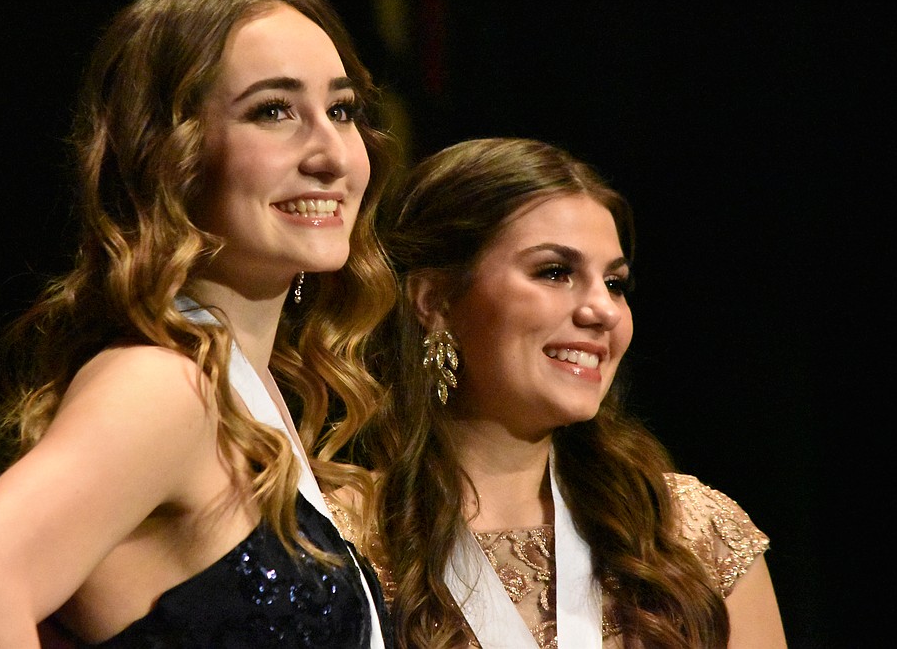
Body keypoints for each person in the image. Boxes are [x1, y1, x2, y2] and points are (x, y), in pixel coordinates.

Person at [0, 0, 397, 648]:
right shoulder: (162, 386)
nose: (331, 154)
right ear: (171, 155)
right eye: (273, 111)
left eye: (341, 111)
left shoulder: (247, 393)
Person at [329, 137, 786, 648]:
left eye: (614, 283)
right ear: (434, 301)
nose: (604, 310)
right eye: (555, 272)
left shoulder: (690, 536)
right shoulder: (344, 544)